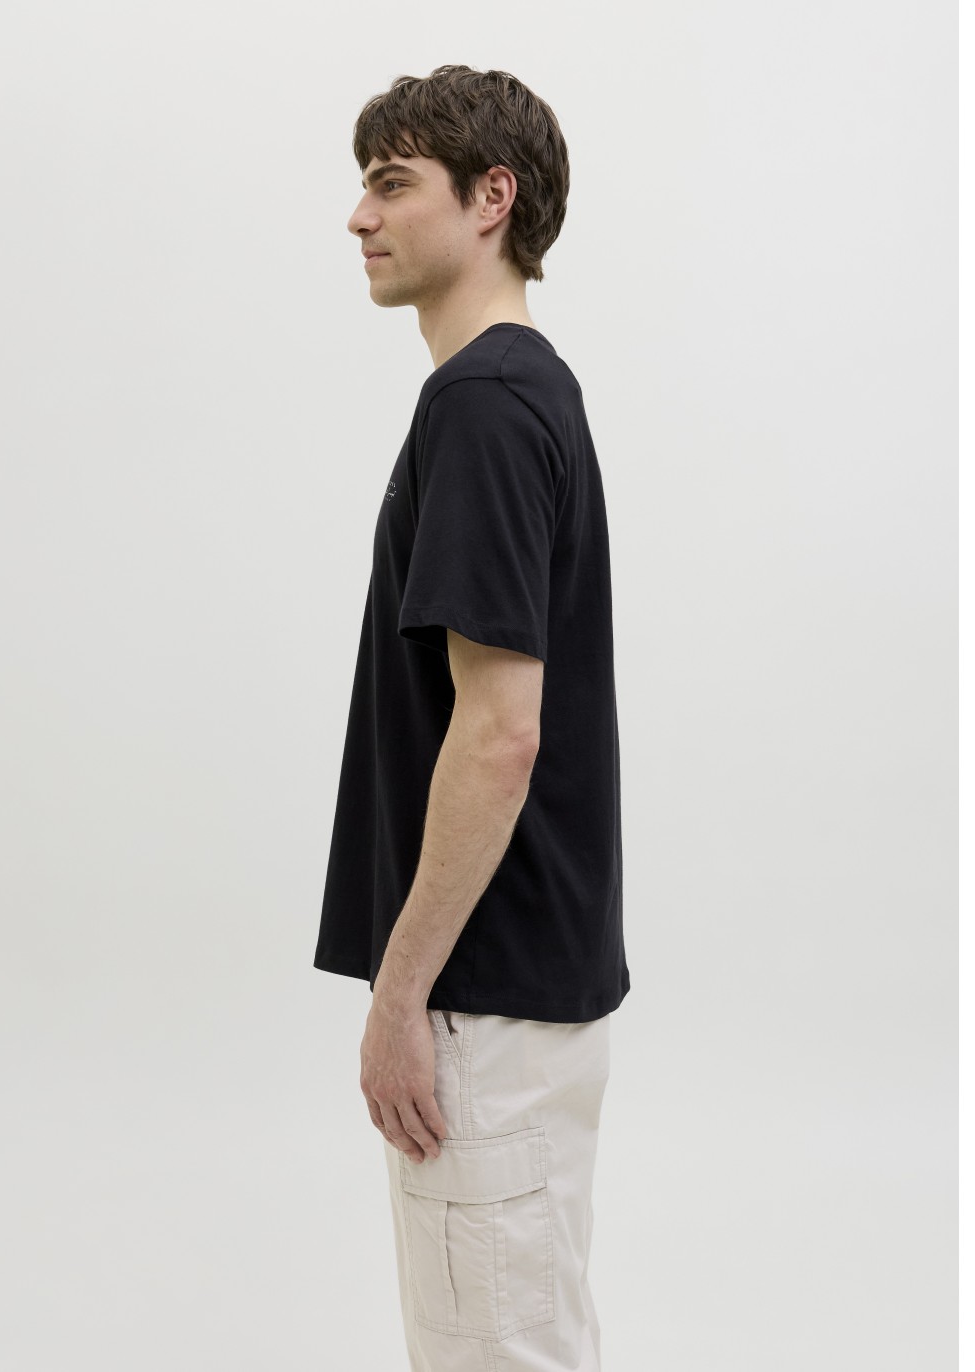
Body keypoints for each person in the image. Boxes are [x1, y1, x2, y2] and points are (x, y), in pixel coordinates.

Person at [313, 64, 630, 1371]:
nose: (359, 216)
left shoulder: (486, 409)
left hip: (482, 999)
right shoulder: (519, 392)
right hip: (518, 994)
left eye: (392, 184)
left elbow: (501, 733)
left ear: (491, 197)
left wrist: (399, 996)